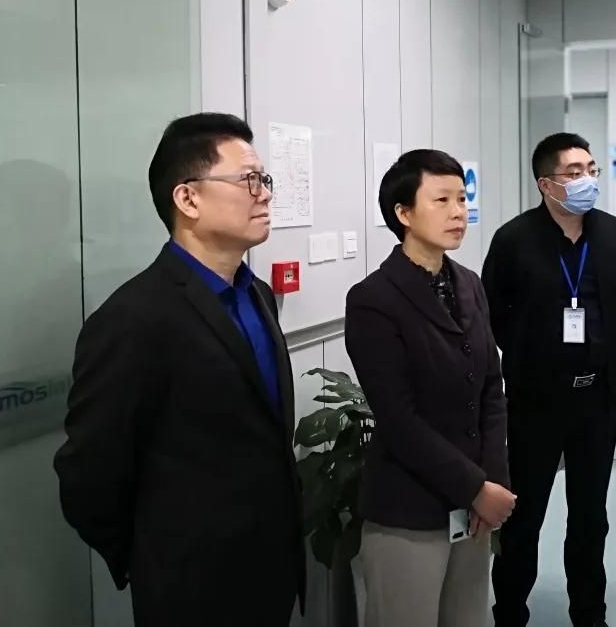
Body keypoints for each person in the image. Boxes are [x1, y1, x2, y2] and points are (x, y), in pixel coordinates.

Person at [53, 113, 304, 626]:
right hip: (189, 587)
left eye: (264, 179)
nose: (264, 194)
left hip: (271, 569)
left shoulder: (257, 295)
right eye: (248, 180)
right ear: (188, 199)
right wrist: (150, 557)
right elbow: (89, 474)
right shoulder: (133, 318)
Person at [345, 149, 514, 627]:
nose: (458, 212)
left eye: (462, 199)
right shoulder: (374, 299)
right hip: (408, 508)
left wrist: (493, 480)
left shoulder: (470, 285)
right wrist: (475, 486)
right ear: (403, 213)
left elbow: (491, 388)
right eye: (441, 200)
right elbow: (398, 420)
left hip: (473, 507)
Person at [486, 133, 616, 627]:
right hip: (536, 400)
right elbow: (495, 313)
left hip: (599, 397)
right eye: (574, 172)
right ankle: (510, 612)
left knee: (591, 515)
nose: (586, 179)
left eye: (591, 169)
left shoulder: (614, 235)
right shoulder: (513, 240)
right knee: (524, 514)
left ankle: (589, 614)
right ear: (546, 183)